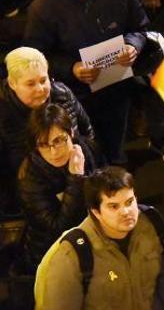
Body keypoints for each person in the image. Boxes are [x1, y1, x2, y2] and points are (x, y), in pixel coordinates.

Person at [24, 0, 149, 165]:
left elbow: (140, 28)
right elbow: (35, 58)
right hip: (74, 95)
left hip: (116, 87)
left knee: (115, 149)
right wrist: (72, 68)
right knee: (85, 153)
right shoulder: (43, 8)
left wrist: (133, 46)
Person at [33, 166, 164, 309]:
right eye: (114, 206)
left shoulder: (150, 223)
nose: (126, 212)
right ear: (96, 212)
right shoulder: (71, 254)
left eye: (129, 202)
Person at [0, 46, 95, 214]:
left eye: (43, 80)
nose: (40, 89)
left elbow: (86, 130)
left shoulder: (62, 94)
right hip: (33, 192)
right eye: (30, 84)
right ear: (12, 83)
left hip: (77, 175)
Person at [17, 104, 97, 272]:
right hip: (52, 252)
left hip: (90, 236)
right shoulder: (30, 178)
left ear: (71, 133)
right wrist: (75, 179)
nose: (54, 152)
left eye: (59, 140)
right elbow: (59, 229)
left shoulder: (83, 149)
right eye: (44, 145)